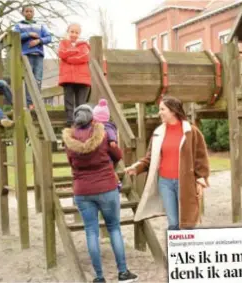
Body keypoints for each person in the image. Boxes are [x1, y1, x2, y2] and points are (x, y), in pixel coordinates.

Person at [62, 104, 138, 283]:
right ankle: (123, 272)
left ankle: (99, 277)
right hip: (106, 187)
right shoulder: (103, 135)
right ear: (92, 118)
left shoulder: (69, 140)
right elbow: (117, 155)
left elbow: (71, 163)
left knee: (91, 232)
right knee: (114, 228)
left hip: (82, 190)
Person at [125, 96, 209, 230]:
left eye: (162, 109)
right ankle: (175, 250)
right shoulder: (158, 132)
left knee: (187, 223)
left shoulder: (191, 132)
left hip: (185, 183)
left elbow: (201, 157)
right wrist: (137, 167)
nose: (160, 113)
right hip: (165, 183)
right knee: (173, 223)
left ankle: (188, 250)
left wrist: (201, 179)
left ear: (173, 111)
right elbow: (150, 158)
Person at [13, 4, 52, 108]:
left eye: (31, 11)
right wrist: (29, 34)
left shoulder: (40, 25)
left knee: (38, 78)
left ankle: (37, 101)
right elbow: (14, 37)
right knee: (28, 79)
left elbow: (49, 37)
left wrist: (39, 40)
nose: (29, 13)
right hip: (26, 55)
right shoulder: (19, 25)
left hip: (38, 54)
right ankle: (29, 103)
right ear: (23, 13)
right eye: (27, 11)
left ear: (33, 13)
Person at [58, 23, 91, 127]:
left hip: (82, 78)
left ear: (79, 34)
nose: (74, 34)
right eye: (72, 31)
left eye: (77, 32)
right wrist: (75, 51)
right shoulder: (63, 43)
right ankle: (70, 121)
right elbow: (61, 53)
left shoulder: (84, 45)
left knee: (81, 102)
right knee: (69, 101)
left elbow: (84, 57)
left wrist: (69, 58)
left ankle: (81, 121)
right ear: (67, 32)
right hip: (68, 77)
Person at [92, 98, 122, 191]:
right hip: (105, 153)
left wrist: (113, 140)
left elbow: (111, 133)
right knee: (110, 170)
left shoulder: (106, 126)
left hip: (108, 154)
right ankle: (116, 182)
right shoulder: (101, 126)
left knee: (111, 170)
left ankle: (118, 183)